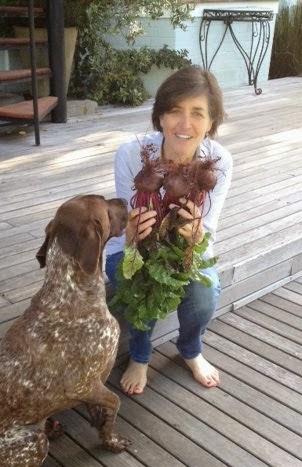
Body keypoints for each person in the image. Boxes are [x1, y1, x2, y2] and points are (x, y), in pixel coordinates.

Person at [105, 65, 233, 395]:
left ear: (211, 122)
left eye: (198, 113)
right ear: (160, 116)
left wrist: (194, 237)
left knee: (204, 293)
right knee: (130, 276)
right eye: (175, 111)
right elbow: (121, 230)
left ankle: (190, 349)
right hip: (135, 245)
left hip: (184, 249)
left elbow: (208, 233)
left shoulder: (219, 161)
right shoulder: (132, 155)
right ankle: (140, 355)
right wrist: (131, 235)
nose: (185, 124)